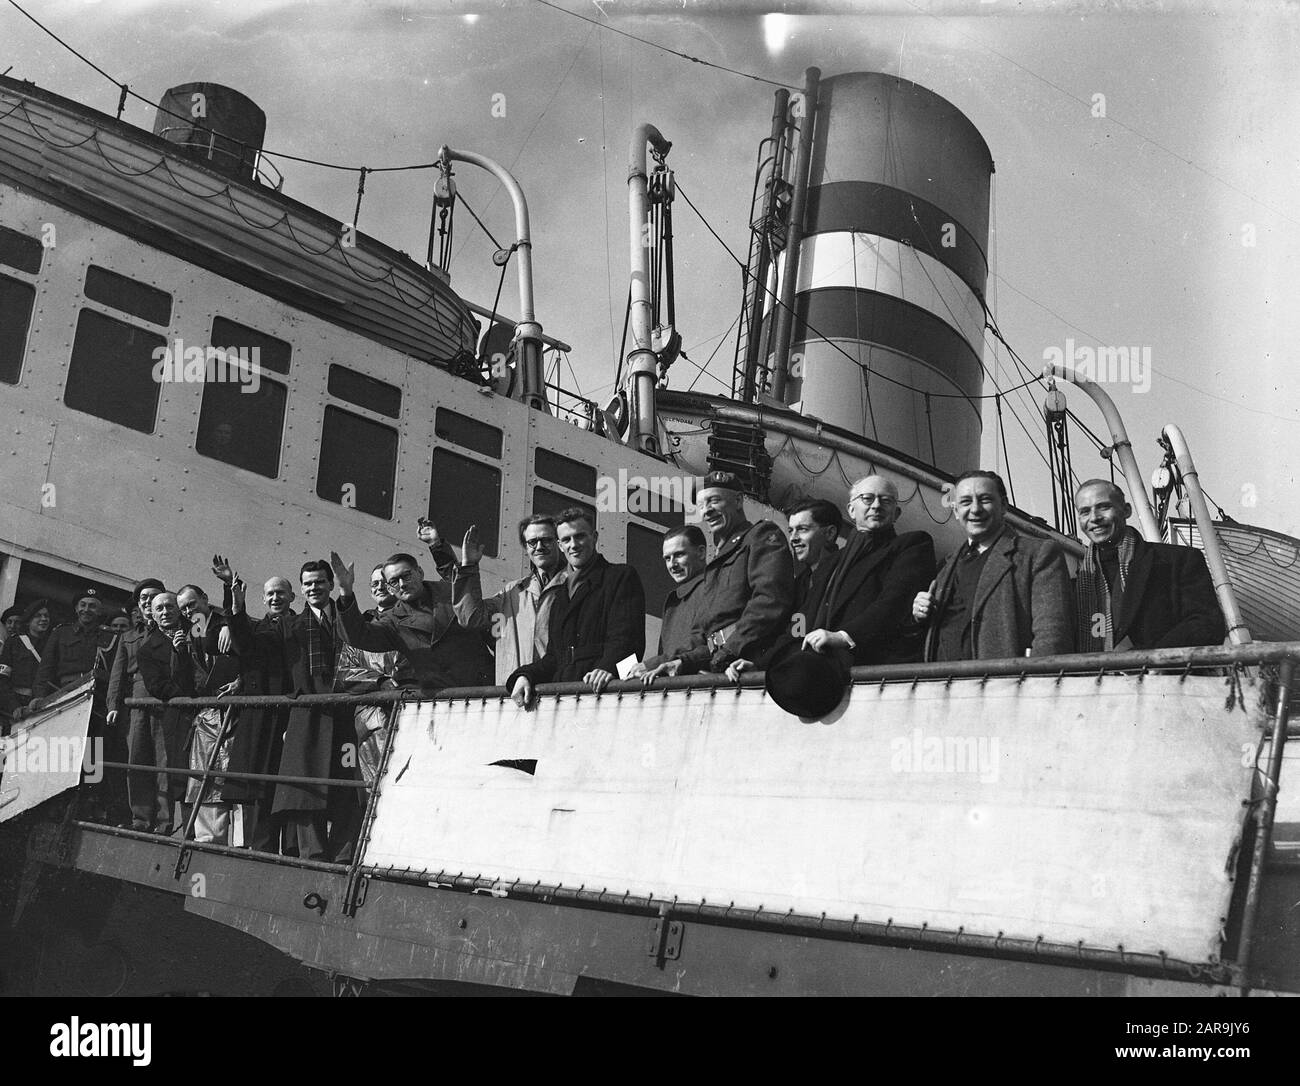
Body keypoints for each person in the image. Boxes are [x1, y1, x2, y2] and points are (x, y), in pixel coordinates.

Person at [228, 559, 358, 862]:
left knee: (346, 785)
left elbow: (360, 633)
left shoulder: (344, 617)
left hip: (343, 715)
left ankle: (343, 856)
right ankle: (311, 855)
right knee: (303, 789)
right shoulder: (288, 625)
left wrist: (348, 591)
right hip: (307, 716)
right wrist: (236, 609)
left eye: (320, 582)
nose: (314, 588)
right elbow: (249, 646)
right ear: (302, 589)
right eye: (308, 583)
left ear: (329, 585)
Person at [912, 470, 1073, 661]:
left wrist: (1038, 681)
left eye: (985, 499)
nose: (975, 509)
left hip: (1003, 684)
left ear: (1003, 505)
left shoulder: (1037, 554)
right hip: (942, 684)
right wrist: (920, 616)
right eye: (965, 502)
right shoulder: (947, 565)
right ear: (956, 511)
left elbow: (1052, 633)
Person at [507, 508, 645, 705]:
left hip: (602, 694)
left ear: (594, 537)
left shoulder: (620, 577)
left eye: (579, 536)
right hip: (565, 698)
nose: (573, 545)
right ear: (559, 545)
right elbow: (553, 658)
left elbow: (630, 642)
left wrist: (609, 669)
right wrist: (525, 675)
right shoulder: (560, 594)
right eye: (566, 540)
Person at [1073, 479, 1226, 651]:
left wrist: (1148, 658)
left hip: (1162, 674)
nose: (1094, 518)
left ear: (1126, 510)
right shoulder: (1078, 581)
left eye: (1104, 507)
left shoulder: (1178, 560)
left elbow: (1208, 624)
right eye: (1085, 512)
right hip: (1093, 676)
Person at [677, 471, 795, 674]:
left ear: (738, 501)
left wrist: (731, 650)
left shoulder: (761, 535)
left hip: (747, 661)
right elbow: (703, 630)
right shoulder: (717, 560)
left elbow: (770, 600)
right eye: (701, 506)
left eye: (714, 501)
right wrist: (681, 662)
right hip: (719, 662)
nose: (707, 511)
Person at [337, 541, 495, 691]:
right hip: (439, 702)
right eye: (393, 582)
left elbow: (486, 624)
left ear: (420, 572)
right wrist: (346, 592)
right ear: (390, 589)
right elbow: (359, 635)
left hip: (483, 692)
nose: (402, 584)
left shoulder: (452, 593)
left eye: (406, 576)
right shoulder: (392, 621)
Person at [219, 564, 294, 853]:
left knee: (288, 784)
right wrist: (235, 604)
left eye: (280, 593)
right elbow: (243, 643)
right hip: (263, 716)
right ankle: (261, 847)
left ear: (292, 597)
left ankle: (289, 849)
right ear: (263, 599)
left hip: (290, 712)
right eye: (270, 594)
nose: (275, 598)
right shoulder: (258, 628)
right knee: (261, 787)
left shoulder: (300, 625)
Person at [448, 514, 569, 685]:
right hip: (514, 695)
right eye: (532, 542)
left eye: (546, 540)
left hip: (561, 693)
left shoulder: (577, 586)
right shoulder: (511, 592)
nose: (539, 547)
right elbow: (471, 618)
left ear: (559, 544)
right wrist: (468, 566)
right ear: (526, 548)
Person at [176, 583, 242, 843]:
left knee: (235, 777)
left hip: (235, 712)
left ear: (205, 599)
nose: (190, 611)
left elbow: (250, 654)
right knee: (205, 778)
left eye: (192, 604)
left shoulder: (226, 623)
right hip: (207, 717)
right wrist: (179, 653)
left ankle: (238, 841)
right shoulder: (190, 633)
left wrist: (230, 625)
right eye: (184, 608)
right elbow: (186, 682)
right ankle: (208, 839)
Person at [106, 578, 166, 831]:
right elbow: (117, 674)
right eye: (143, 598)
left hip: (165, 700)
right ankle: (141, 819)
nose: (147, 602)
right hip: (137, 701)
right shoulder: (129, 636)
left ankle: (166, 822)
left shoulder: (171, 629)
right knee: (137, 760)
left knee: (164, 764)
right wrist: (113, 705)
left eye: (153, 596)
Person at [134, 592, 196, 835]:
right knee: (179, 772)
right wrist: (188, 697)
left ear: (179, 609)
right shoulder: (147, 650)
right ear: (152, 613)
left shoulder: (196, 631)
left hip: (209, 709)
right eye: (158, 608)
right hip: (178, 713)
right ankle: (187, 831)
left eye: (170, 606)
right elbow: (157, 685)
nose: (165, 612)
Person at [632, 525, 710, 684]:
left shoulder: (713, 590)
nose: (672, 564)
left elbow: (714, 647)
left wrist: (650, 664)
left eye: (679, 555)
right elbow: (669, 654)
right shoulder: (674, 601)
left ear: (701, 552)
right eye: (667, 558)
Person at [0, 598, 53, 729]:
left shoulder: (52, 644)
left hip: (39, 706)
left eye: (46, 616)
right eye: (38, 616)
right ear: (28, 621)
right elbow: (2, 679)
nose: (43, 619)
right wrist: (14, 707)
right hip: (13, 708)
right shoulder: (14, 643)